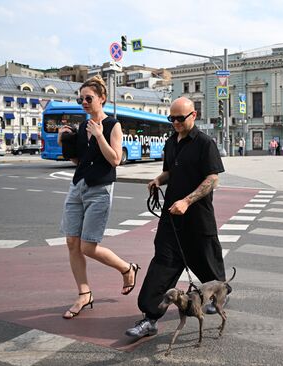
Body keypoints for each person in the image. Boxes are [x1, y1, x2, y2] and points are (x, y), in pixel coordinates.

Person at [125, 97, 229, 338]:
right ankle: (150, 317)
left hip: (198, 218)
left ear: (193, 115)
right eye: (171, 118)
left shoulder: (205, 143)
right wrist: (158, 180)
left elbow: (213, 178)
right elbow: (171, 170)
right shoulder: (171, 142)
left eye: (180, 118)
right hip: (172, 218)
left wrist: (187, 201)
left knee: (208, 264)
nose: (175, 123)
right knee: (162, 263)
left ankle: (219, 294)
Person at [58, 75, 140, 319]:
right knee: (72, 243)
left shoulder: (113, 124)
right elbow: (78, 160)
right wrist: (67, 142)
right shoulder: (83, 126)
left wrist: (100, 134)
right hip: (78, 186)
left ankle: (127, 268)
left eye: (88, 98)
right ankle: (84, 293)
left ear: (102, 99)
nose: (83, 102)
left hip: (100, 189)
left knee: (88, 246)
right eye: (80, 98)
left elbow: (115, 159)